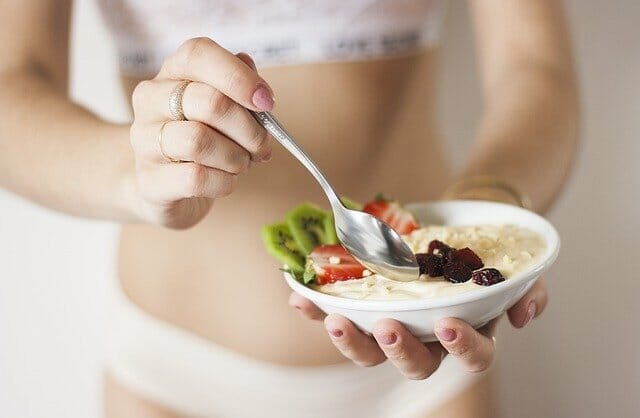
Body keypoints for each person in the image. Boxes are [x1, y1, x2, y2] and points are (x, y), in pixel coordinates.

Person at [0, 1, 578, 417]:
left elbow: (535, 66)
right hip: (170, 379)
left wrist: (493, 224)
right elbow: (10, 84)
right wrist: (139, 172)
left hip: (431, 375)